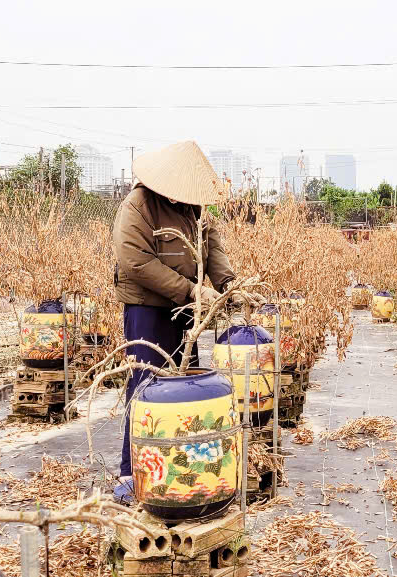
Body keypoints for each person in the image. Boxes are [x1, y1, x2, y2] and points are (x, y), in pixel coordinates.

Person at [110, 141, 235, 503]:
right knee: (146, 385)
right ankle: (131, 473)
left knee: (184, 385)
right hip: (146, 306)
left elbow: (211, 244)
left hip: (184, 309)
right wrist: (192, 291)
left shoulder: (195, 207)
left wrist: (228, 284)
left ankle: (181, 469)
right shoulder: (138, 206)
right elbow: (135, 261)